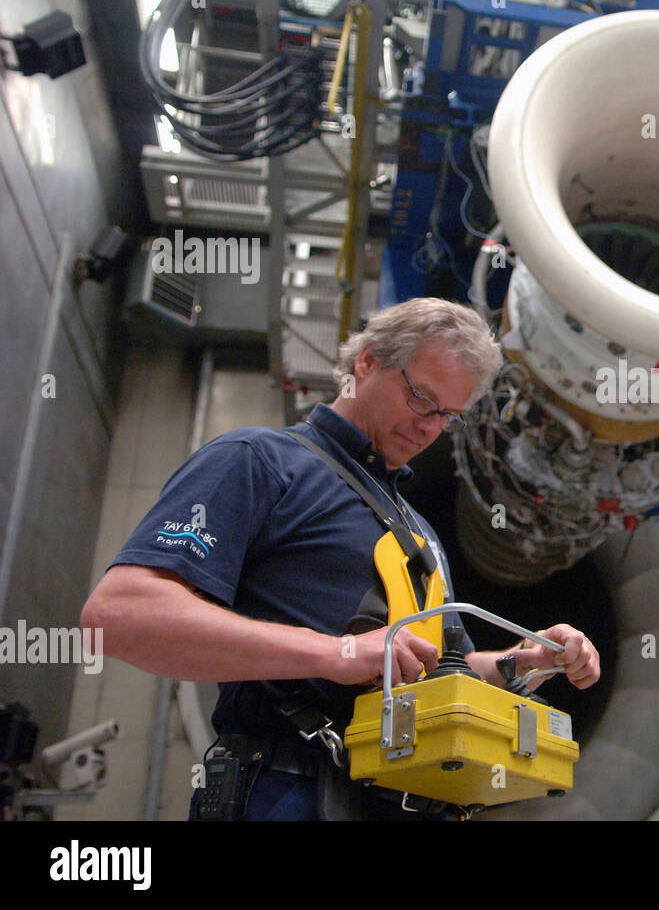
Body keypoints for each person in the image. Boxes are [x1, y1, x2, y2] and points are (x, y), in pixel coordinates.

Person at [81, 298, 600, 820]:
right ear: (367, 361)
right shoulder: (259, 460)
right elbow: (119, 616)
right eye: (421, 398)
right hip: (289, 793)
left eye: (448, 417)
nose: (428, 428)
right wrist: (337, 654)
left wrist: (525, 661)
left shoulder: (420, 535)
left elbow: (451, 670)